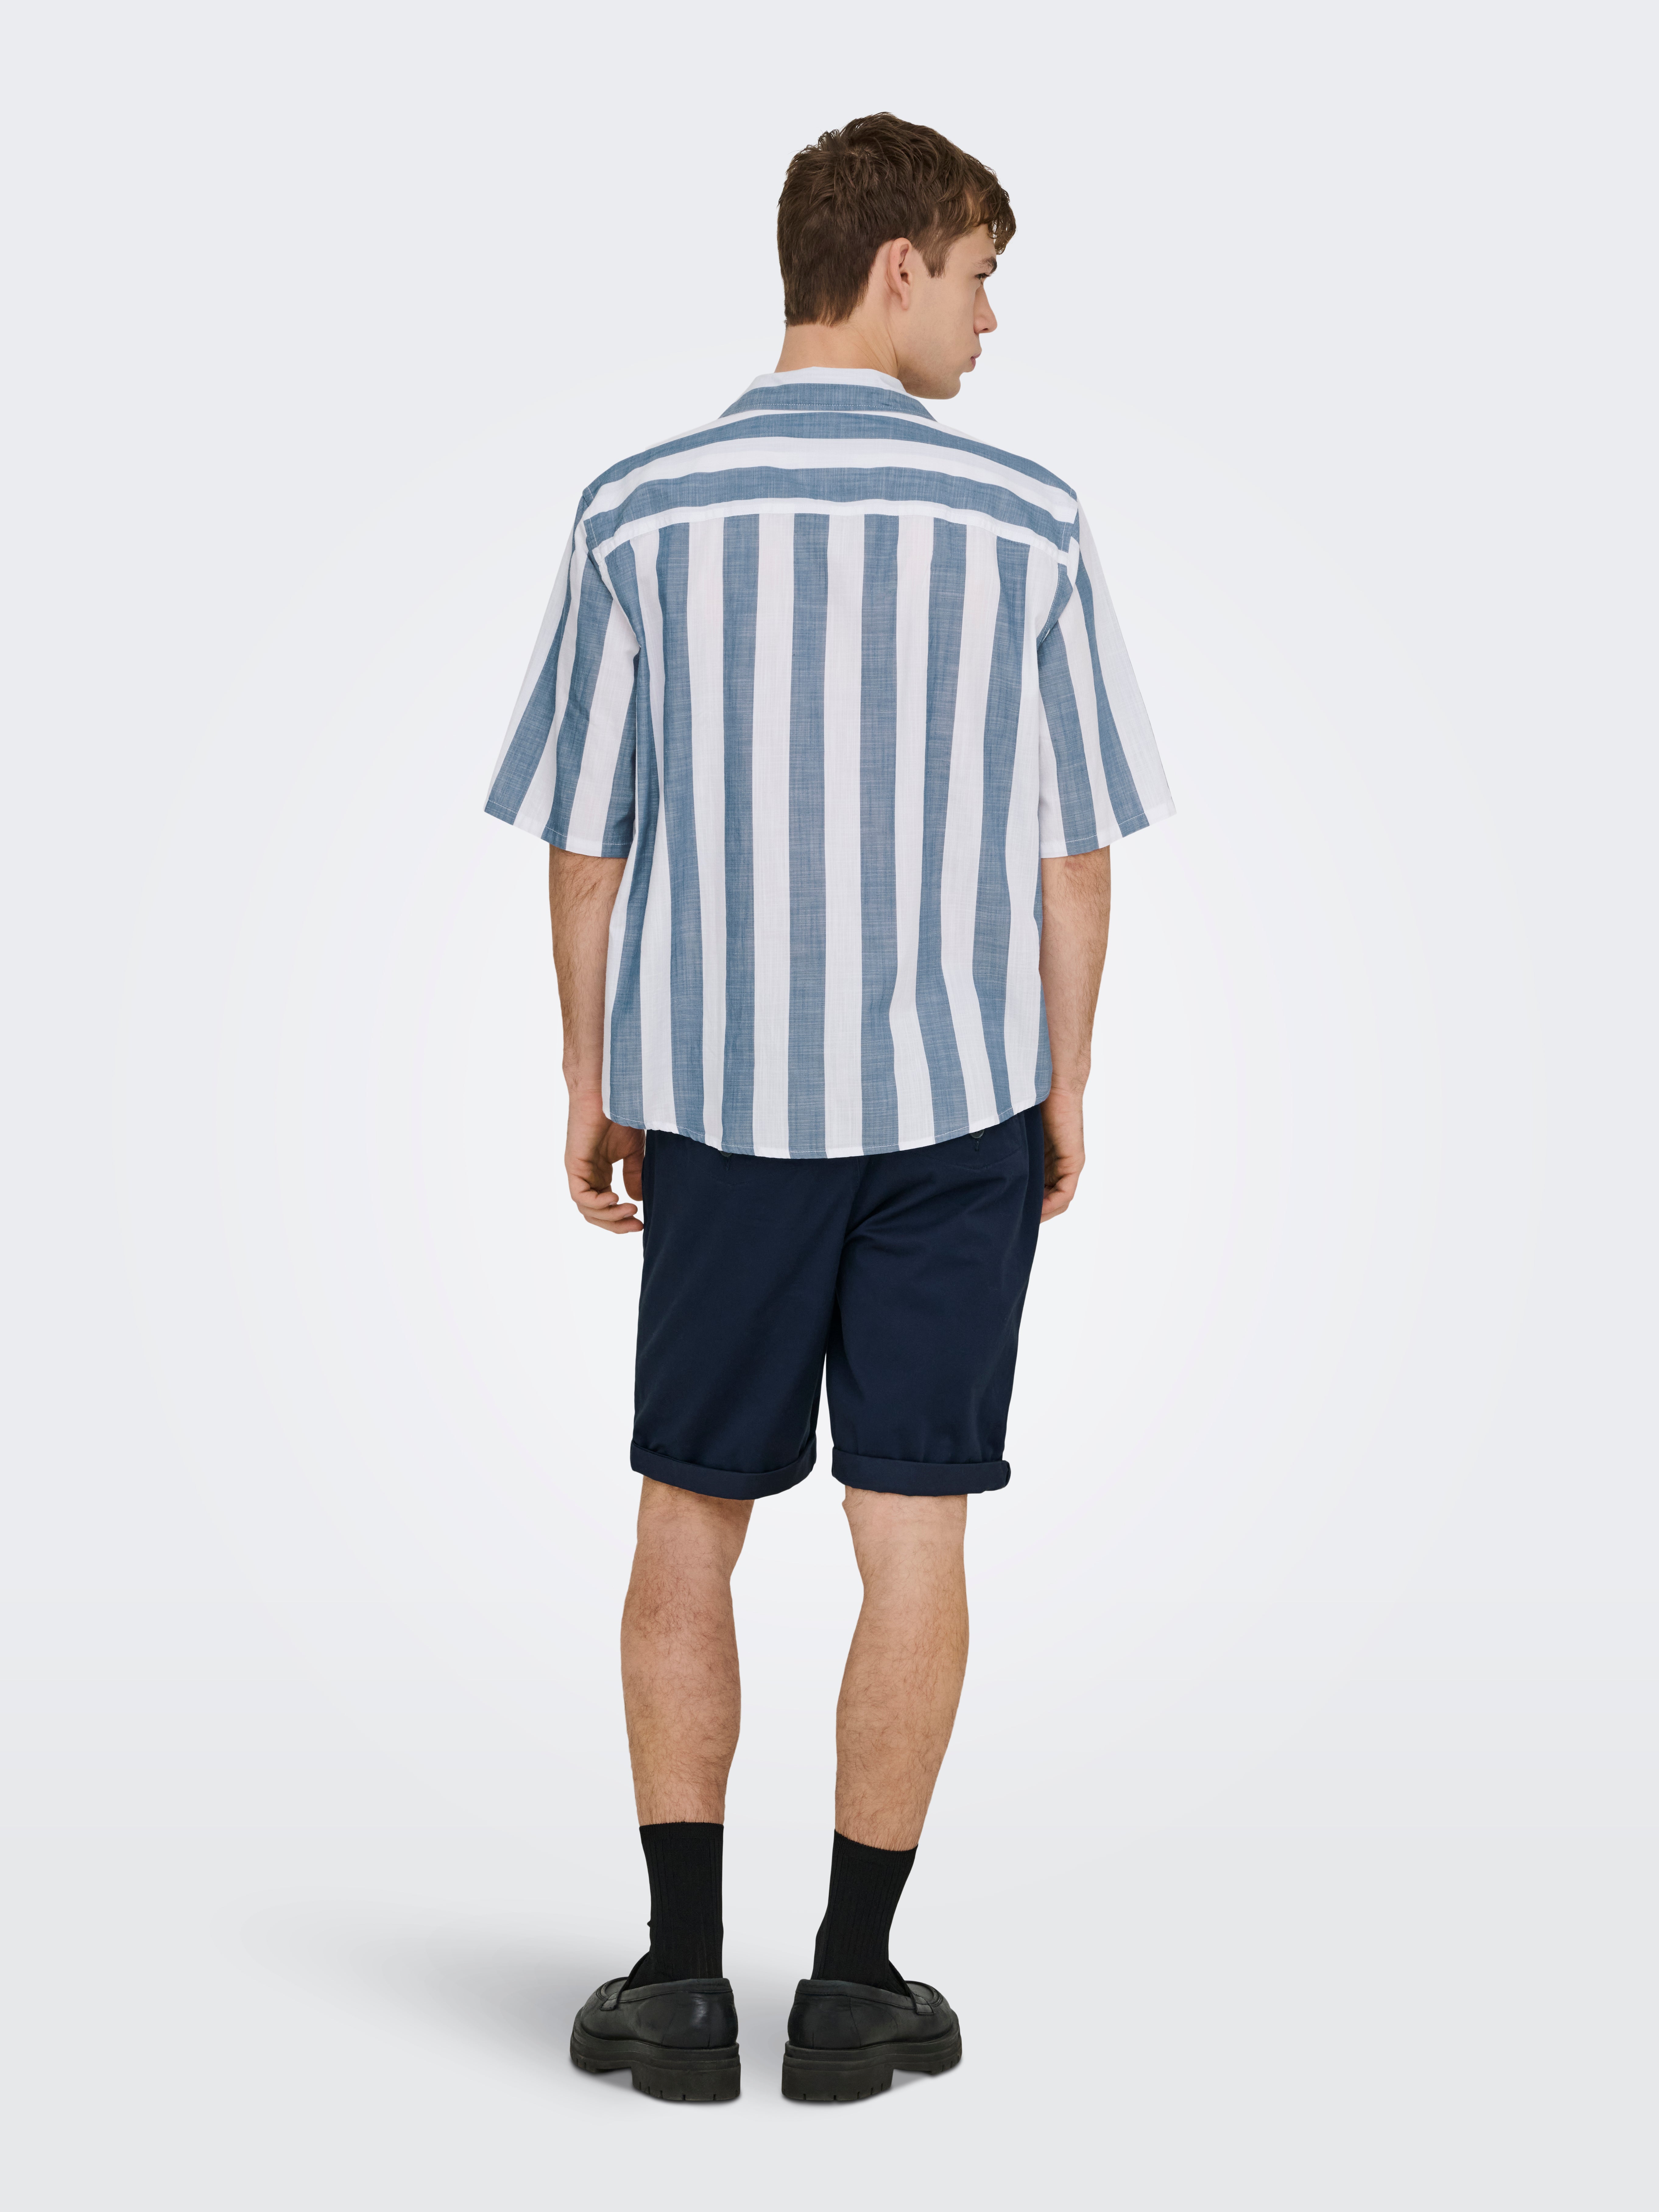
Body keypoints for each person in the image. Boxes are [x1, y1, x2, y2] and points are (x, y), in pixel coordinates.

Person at [484, 112, 1173, 2104]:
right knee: (914, 1532)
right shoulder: (1027, 520)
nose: (986, 321)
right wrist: (1063, 1081)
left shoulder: (639, 510)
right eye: (979, 277)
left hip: (716, 1106)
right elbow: (1072, 851)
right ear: (896, 267)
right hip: (954, 1108)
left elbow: (588, 844)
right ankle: (856, 1990)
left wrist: (592, 1079)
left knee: (687, 1519)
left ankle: (678, 1986)